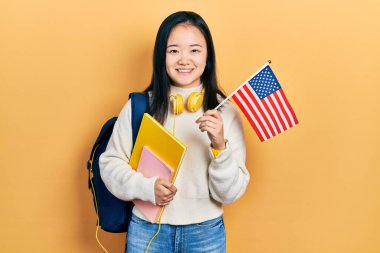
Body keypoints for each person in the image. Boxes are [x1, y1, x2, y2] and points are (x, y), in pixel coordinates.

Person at [99, 11, 250, 253]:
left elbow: (229, 193)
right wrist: (146, 188)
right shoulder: (140, 106)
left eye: (194, 50)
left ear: (207, 57)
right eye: (174, 50)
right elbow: (109, 164)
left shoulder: (225, 112)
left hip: (206, 234)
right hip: (147, 230)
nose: (184, 59)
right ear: (162, 56)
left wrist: (220, 147)